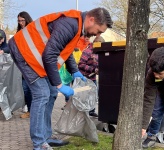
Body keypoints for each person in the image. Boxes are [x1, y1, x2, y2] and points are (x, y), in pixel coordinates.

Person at [8, 7, 112, 150]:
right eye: (99, 30)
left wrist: (75, 71)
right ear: (92, 20)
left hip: (35, 56)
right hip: (23, 52)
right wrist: (59, 85)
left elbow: (66, 50)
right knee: (42, 94)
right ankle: (39, 143)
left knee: (50, 94)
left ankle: (46, 136)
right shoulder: (70, 24)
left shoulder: (77, 27)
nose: (97, 34)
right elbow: (49, 55)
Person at [78, 36, 105, 117]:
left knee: (93, 94)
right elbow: (81, 64)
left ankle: (91, 111)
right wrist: (92, 69)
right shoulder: (87, 52)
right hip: (84, 77)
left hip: (92, 78)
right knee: (84, 95)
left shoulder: (99, 53)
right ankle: (82, 112)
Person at [17, 11, 33, 119]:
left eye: (22, 20)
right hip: (22, 65)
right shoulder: (19, 33)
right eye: (19, 21)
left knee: (32, 89)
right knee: (25, 89)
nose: (21, 23)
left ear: (27, 19)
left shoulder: (32, 30)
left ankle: (34, 111)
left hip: (32, 65)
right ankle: (30, 110)